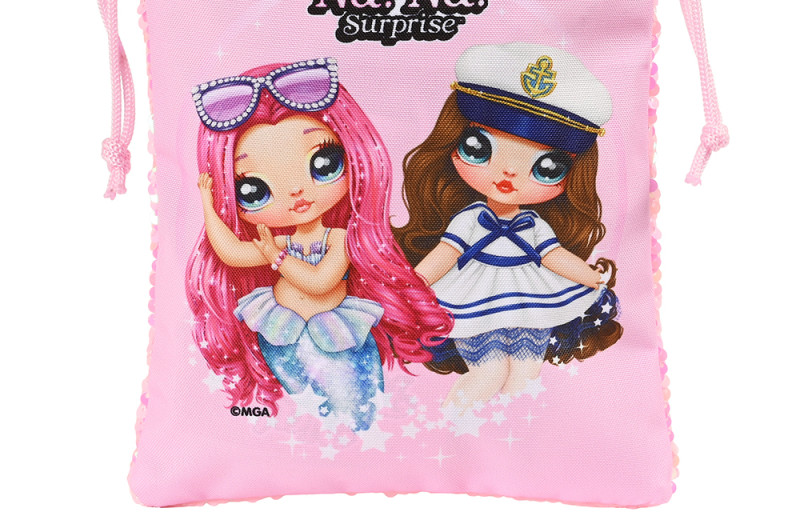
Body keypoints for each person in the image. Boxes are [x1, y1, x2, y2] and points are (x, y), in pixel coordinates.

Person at [186, 58, 452, 430]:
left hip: (337, 335)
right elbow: (230, 252)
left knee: (354, 412)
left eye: (323, 164)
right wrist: (208, 203)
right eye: (254, 190)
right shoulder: (278, 240)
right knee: (300, 418)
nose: (297, 192)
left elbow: (320, 281)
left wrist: (275, 256)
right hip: (282, 333)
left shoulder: (337, 239)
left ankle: (359, 448)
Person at [394, 43, 622, 409]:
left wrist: (591, 277)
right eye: (479, 147)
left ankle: (514, 436)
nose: (510, 172)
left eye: (547, 167)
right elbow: (444, 254)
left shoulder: (532, 224)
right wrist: (412, 285)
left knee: (525, 376)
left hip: (530, 301)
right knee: (488, 373)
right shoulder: (470, 219)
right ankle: (453, 426)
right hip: (473, 298)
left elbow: (554, 256)